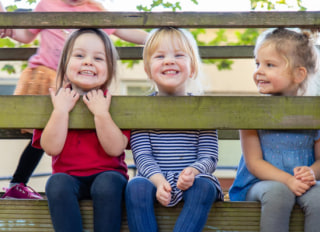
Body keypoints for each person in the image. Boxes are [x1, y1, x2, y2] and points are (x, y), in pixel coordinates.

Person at [0, 0, 147, 199]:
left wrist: (154, 39)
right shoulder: (47, 5)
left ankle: (81, 175)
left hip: (84, 83)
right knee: (44, 131)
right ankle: (17, 183)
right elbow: (26, 35)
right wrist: (8, 25)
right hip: (48, 77)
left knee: (72, 132)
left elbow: (123, 30)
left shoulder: (94, 10)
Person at [125, 27, 224, 232]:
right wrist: (159, 182)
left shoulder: (202, 109)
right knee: (135, 186)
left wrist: (193, 171)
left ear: (193, 67)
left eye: (179, 55)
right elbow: (142, 156)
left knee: (204, 186)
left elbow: (209, 156)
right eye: (160, 56)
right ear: (147, 69)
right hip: (155, 178)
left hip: (193, 180)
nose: (169, 61)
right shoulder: (142, 109)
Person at [31, 28, 129, 232]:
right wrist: (60, 111)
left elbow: (115, 149)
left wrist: (102, 114)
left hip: (108, 176)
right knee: (56, 183)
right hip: (68, 178)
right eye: (79, 55)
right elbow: (51, 148)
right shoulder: (55, 102)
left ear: (110, 69)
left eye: (98, 58)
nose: (88, 62)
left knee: (107, 183)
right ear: (64, 63)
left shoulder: (114, 103)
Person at [229, 28, 320, 232]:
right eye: (257, 63)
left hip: (302, 185)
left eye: (270, 65)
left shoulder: (314, 112)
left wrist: (311, 172)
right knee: (279, 192)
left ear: (299, 74)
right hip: (259, 184)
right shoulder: (252, 112)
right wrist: (288, 180)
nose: (259, 70)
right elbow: (254, 163)